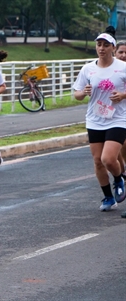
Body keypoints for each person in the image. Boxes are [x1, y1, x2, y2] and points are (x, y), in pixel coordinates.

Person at [73, 27, 126, 212]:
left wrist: (122, 95)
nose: (101, 48)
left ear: (113, 47)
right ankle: (108, 197)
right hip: (95, 119)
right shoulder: (88, 68)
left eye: (105, 45)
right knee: (97, 161)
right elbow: (77, 94)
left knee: (108, 159)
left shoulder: (122, 67)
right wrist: (83, 92)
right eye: (98, 45)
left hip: (118, 118)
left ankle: (119, 178)